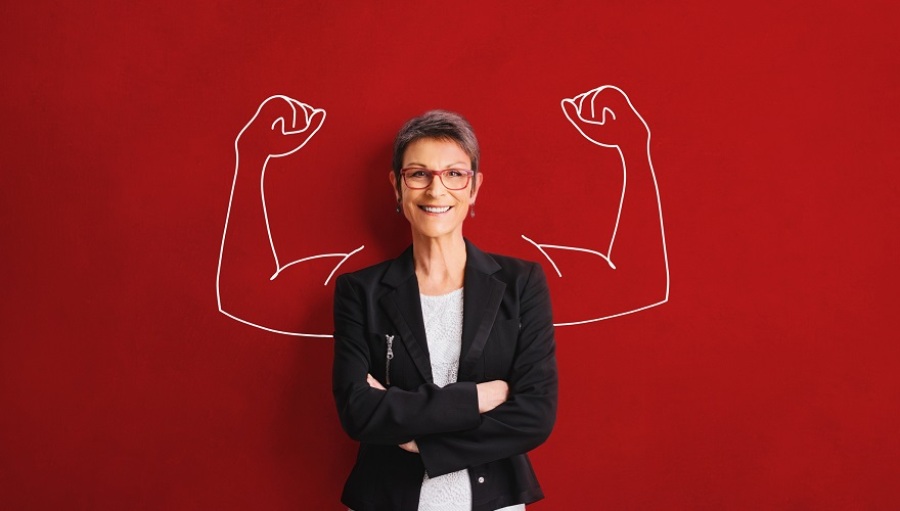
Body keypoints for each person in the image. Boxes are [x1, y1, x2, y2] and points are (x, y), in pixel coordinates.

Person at [331, 111, 558, 511]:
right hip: (384, 498)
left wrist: (421, 441)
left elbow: (535, 415)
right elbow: (359, 412)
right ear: (397, 187)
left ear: (473, 188)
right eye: (418, 174)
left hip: (496, 503)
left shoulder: (522, 282)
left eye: (454, 174)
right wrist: (478, 397)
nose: (436, 191)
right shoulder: (359, 291)